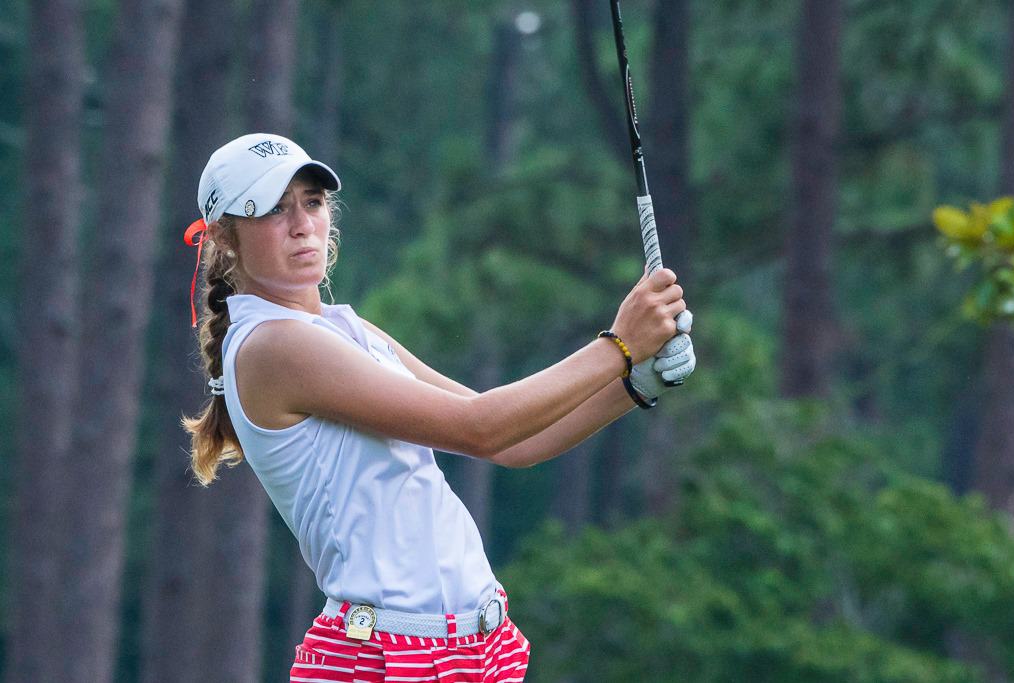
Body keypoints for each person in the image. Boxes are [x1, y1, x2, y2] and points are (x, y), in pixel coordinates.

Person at [181, 133, 696, 683]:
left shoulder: (340, 329)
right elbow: (481, 429)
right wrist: (617, 345)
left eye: (311, 201)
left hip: (473, 648)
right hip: (386, 658)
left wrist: (634, 382)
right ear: (224, 237)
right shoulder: (273, 346)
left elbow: (515, 441)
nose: (302, 223)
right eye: (273, 209)